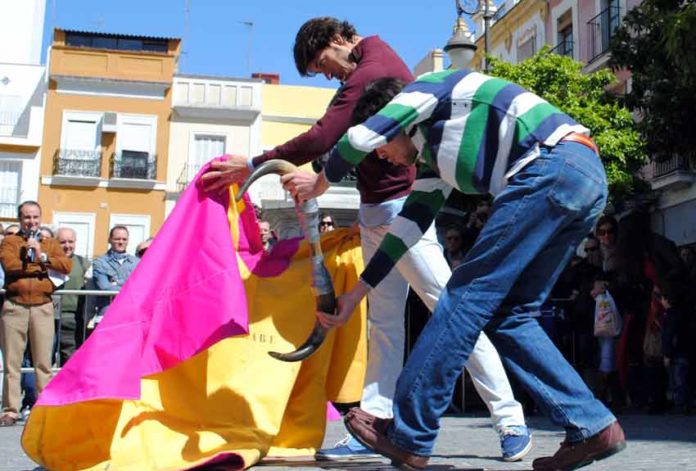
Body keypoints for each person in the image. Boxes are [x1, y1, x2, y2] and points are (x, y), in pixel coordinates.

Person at [202, 17, 531, 462]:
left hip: (403, 210)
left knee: (450, 311)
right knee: (384, 323)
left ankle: (510, 420)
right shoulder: (367, 65)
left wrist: (255, 163)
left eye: (323, 63)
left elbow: (325, 136)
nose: (327, 75)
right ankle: (373, 426)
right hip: (375, 210)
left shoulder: (369, 71)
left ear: (339, 40)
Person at [285, 74, 626, 470]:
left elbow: (357, 139)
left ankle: (409, 434)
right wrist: (355, 296)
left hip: (549, 166)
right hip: (581, 176)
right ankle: (591, 424)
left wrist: (319, 181)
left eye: (382, 146)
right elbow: (406, 231)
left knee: (463, 299)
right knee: (509, 314)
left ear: (392, 121)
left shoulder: (428, 87)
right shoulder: (432, 155)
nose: (379, 157)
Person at [0, 201, 72, 426]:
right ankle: (10, 409)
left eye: (35, 217)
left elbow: (66, 266)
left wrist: (41, 257)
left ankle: (43, 407)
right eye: (26, 217)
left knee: (43, 361)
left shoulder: (49, 243)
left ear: (40, 218)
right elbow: (10, 265)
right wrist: (40, 267)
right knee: (12, 362)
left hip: (42, 306)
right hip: (15, 306)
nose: (31, 221)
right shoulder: (10, 241)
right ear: (19, 219)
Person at [55, 227, 91, 364]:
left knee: (70, 358)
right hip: (49, 316)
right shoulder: (48, 262)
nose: (67, 246)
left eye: (71, 241)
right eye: (62, 242)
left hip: (73, 318)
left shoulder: (84, 263)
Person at [91, 226, 139, 324]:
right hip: (106, 315)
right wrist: (129, 287)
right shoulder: (99, 262)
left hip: (130, 315)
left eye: (124, 239)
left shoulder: (138, 263)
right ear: (109, 240)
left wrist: (116, 283)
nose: (121, 242)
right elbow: (104, 287)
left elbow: (141, 288)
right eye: (117, 239)